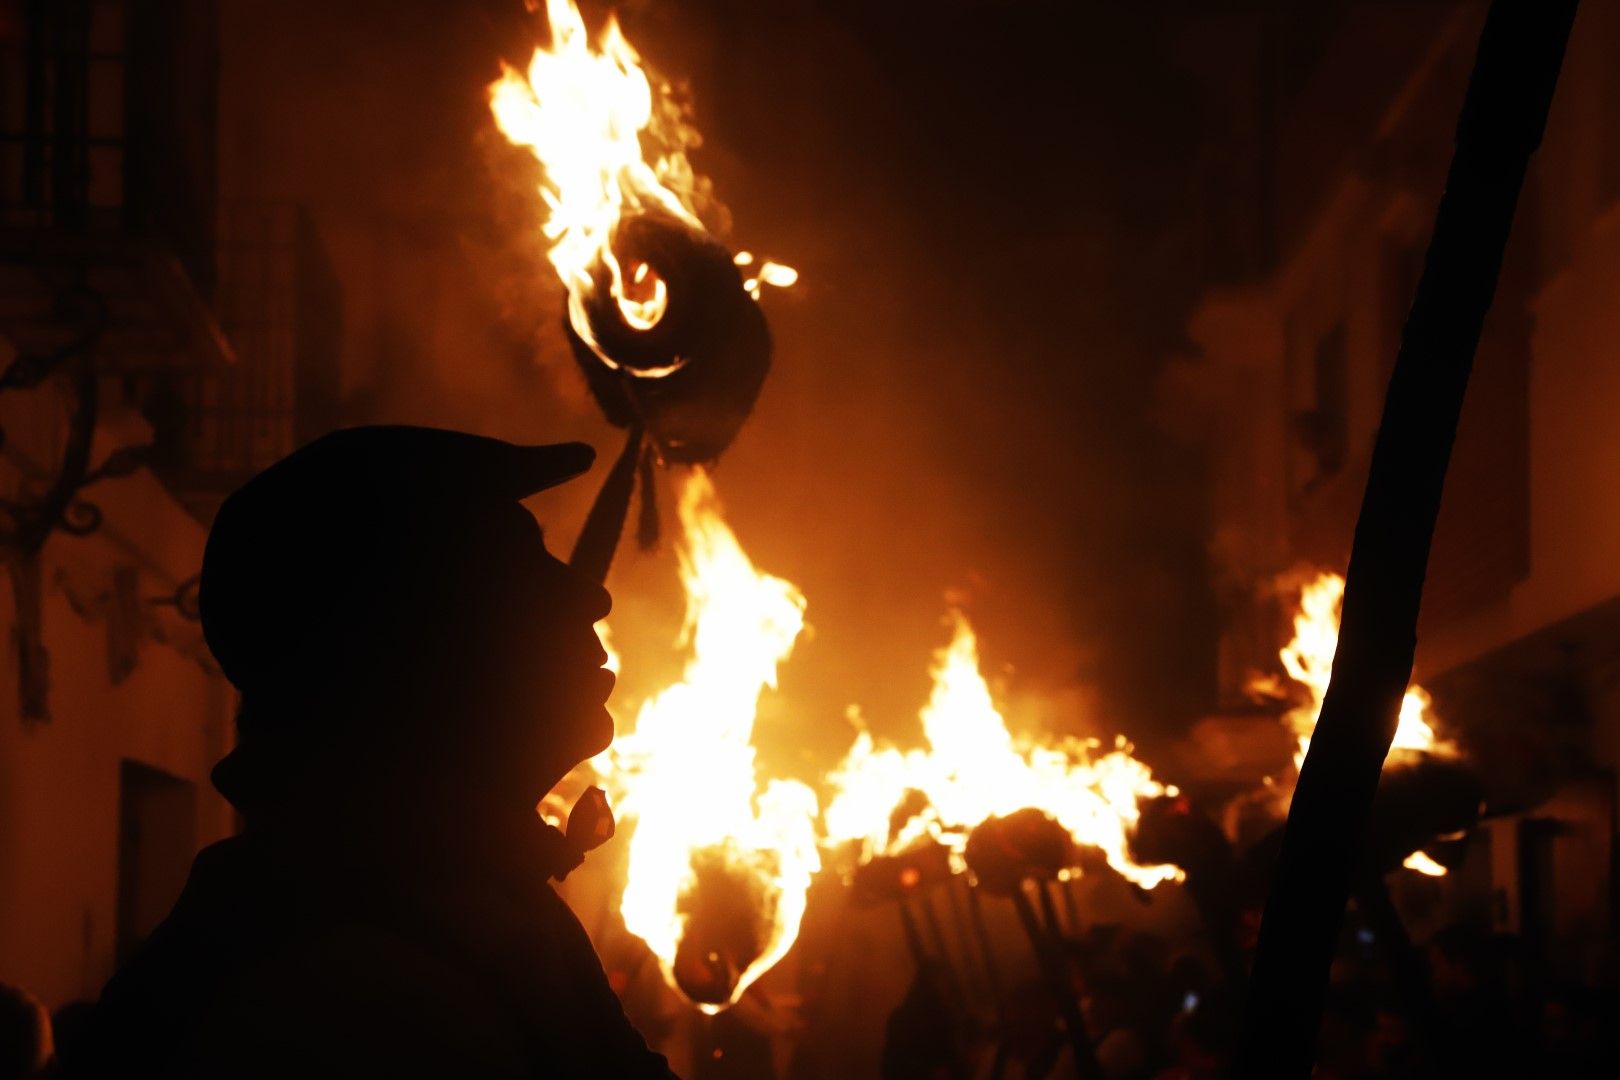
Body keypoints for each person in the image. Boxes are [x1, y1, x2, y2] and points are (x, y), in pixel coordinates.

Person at [70, 426, 675, 1077]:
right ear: (410, 648)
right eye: (521, 564)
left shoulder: (461, 909)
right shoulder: (354, 1003)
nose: (591, 594)